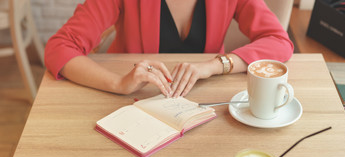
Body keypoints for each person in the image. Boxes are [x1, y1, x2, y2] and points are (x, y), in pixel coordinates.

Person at [45, 0, 293, 98]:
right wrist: (119, 83)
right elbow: (60, 48)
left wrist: (214, 66)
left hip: (205, 103)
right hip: (132, 104)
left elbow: (279, 41)